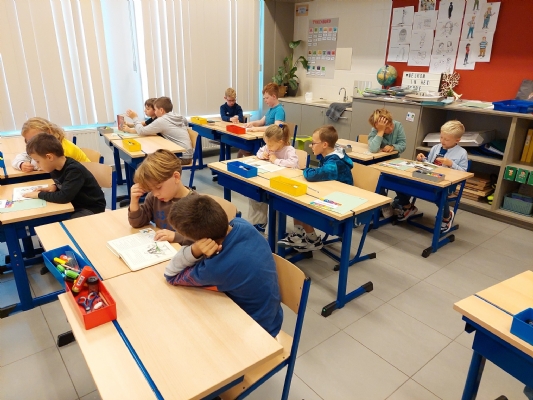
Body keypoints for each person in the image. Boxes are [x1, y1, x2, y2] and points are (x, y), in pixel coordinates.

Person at [164, 195, 283, 337]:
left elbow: (171, 275)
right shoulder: (241, 224)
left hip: (257, 331)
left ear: (201, 240)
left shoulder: (216, 268)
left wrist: (195, 250)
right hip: (272, 316)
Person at [278, 125, 353, 252]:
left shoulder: (333, 163)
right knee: (296, 198)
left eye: (313, 143)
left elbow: (312, 175)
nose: (310, 145)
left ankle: (313, 240)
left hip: (342, 200)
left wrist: (304, 169)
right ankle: (300, 235)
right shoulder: (330, 154)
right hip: (331, 191)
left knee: (303, 204)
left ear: (324, 145)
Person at [394, 120, 468, 233]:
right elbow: (430, 164)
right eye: (441, 137)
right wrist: (422, 159)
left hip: (446, 184)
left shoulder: (462, 153)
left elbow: (463, 173)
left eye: (446, 139)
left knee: (440, 194)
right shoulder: (436, 148)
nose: (442, 141)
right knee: (399, 182)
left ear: (457, 140)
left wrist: (451, 164)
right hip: (428, 178)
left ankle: (447, 217)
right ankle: (408, 206)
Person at [22, 134, 106, 217]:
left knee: (66, 222)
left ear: (49, 157)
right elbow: (67, 183)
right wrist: (54, 187)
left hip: (90, 208)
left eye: (38, 161)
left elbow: (64, 197)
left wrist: (38, 195)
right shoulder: (55, 166)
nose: (37, 165)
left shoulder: (74, 170)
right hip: (74, 203)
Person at [128, 149, 198, 244]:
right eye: (151, 189)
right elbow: (137, 223)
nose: (155, 193)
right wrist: (134, 202)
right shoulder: (154, 198)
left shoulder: (196, 205)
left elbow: (202, 239)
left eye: (158, 187)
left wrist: (176, 237)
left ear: (176, 177)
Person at [249, 124, 299, 232]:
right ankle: (259, 222)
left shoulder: (289, 150)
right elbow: (259, 152)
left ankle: (275, 232)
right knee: (254, 193)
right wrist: (263, 155)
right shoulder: (269, 146)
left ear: (280, 142)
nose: (268, 147)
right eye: (266, 144)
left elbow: (293, 163)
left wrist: (276, 160)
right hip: (269, 178)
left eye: (270, 145)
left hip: (284, 183)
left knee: (275, 203)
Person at [122, 96, 193, 164]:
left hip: (180, 157)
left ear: (161, 110)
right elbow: (185, 123)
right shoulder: (177, 116)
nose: (155, 112)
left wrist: (134, 117)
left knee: (147, 162)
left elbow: (141, 131)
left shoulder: (162, 120)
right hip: (187, 154)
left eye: (155, 110)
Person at [12, 117, 90, 172]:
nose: (33, 143)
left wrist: (33, 163)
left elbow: (43, 167)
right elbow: (25, 155)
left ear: (48, 132)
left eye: (36, 138)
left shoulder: (61, 149)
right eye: (29, 141)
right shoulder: (43, 146)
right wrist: (21, 164)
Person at [240, 83, 286, 158]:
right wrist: (251, 123)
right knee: (242, 146)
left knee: (246, 147)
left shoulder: (279, 110)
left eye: (267, 98)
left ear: (274, 96)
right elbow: (261, 122)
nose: (265, 100)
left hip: (270, 141)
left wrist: (256, 129)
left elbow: (276, 127)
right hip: (264, 137)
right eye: (264, 98)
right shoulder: (271, 109)